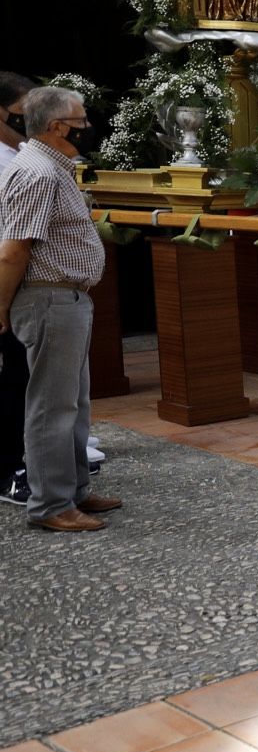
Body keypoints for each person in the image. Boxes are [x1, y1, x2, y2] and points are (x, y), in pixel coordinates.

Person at [0, 87, 119, 531]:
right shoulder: (38, 173)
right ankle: (51, 505)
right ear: (57, 126)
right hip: (48, 297)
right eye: (82, 121)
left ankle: (75, 491)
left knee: (73, 402)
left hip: (67, 297)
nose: (88, 128)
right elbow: (14, 251)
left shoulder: (51, 167)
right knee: (52, 406)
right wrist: (2, 306)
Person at [0, 72, 32, 507]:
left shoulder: (18, 153)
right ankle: (9, 469)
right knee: (12, 380)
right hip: (8, 281)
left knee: (22, 378)